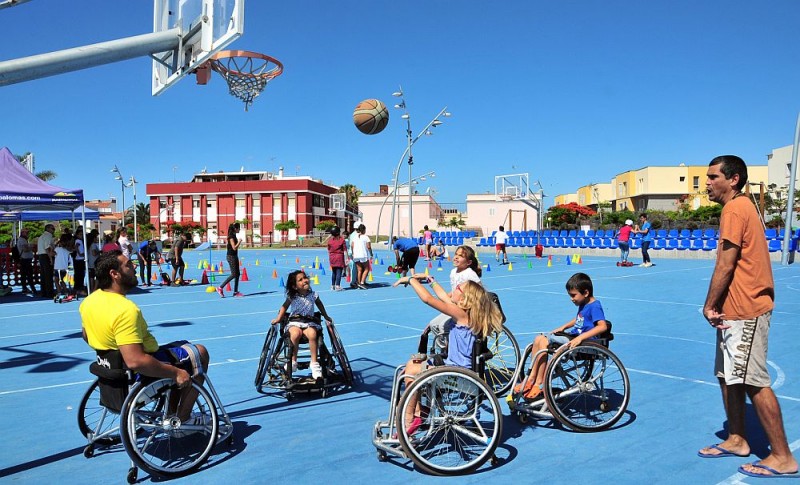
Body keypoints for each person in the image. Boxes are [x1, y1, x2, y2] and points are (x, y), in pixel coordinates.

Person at [697, 155, 798, 478]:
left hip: (747, 309)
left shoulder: (735, 209)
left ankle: (782, 457)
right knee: (728, 376)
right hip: (733, 311)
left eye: (713, 177)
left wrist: (709, 304)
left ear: (734, 179)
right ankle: (738, 438)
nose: (708, 183)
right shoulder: (736, 209)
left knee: (754, 381)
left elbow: (726, 263)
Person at [80, 250, 210, 422]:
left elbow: (86, 335)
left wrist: (111, 347)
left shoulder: (90, 301)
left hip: (111, 368)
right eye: (128, 265)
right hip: (135, 372)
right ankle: (181, 417)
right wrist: (175, 373)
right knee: (199, 353)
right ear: (114, 274)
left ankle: (173, 410)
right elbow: (136, 361)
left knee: (183, 346)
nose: (134, 267)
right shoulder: (125, 310)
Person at [393, 274, 502, 435]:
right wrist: (430, 279)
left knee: (412, 370)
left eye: (458, 288)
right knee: (411, 366)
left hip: (456, 375)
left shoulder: (461, 314)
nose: (455, 288)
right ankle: (417, 412)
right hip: (460, 371)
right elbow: (444, 297)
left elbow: (428, 299)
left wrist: (410, 280)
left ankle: (409, 417)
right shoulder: (469, 314)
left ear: (466, 298)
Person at [513, 272, 608, 401]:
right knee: (538, 339)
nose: (571, 299)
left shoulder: (595, 306)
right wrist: (564, 327)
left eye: (573, 295)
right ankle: (531, 378)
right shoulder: (583, 303)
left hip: (583, 342)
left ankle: (539, 382)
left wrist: (580, 338)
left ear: (585, 293)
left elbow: (602, 326)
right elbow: (579, 320)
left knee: (545, 341)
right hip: (573, 336)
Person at [270, 270, 333, 380]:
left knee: (313, 334)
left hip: (309, 322)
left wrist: (326, 316)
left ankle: (314, 364)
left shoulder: (313, 295)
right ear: (295, 286)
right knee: (295, 333)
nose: (305, 280)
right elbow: (284, 307)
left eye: (305, 278)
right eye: (301, 280)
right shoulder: (293, 296)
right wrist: (278, 318)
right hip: (295, 321)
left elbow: (320, 305)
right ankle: (293, 362)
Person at [426, 245, 483, 352]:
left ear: (469, 262)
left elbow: (479, 290)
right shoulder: (453, 272)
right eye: (456, 254)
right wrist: (447, 297)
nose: (456, 257)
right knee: (434, 324)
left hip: (466, 309)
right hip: (454, 306)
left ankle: (454, 350)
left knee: (443, 326)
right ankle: (446, 350)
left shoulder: (470, 274)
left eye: (460, 256)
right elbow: (454, 290)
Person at [217, 223, 243, 297]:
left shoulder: (234, 236)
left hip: (234, 256)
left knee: (237, 274)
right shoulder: (231, 237)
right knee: (234, 274)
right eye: (239, 228)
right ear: (235, 229)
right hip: (231, 256)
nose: (239, 230)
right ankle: (220, 287)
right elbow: (234, 247)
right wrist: (239, 242)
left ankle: (235, 292)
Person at [53, 232, 74, 301]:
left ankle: (59, 292)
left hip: (57, 267)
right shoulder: (67, 251)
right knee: (62, 280)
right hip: (64, 268)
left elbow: (52, 253)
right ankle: (66, 292)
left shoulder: (57, 249)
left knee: (56, 280)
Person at [37, 223, 56, 298]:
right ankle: (49, 293)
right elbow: (47, 248)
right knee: (48, 275)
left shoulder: (42, 236)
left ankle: (44, 292)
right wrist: (51, 258)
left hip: (41, 256)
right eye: (52, 229)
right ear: (48, 229)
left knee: (43, 275)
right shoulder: (48, 235)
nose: (53, 230)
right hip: (46, 256)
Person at [351, 224, 372, 289]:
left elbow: (352, 245)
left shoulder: (355, 237)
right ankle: (362, 282)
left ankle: (359, 283)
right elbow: (368, 246)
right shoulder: (366, 237)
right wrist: (371, 253)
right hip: (363, 254)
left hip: (356, 255)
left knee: (359, 269)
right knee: (366, 269)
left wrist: (353, 253)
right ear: (364, 230)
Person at [327, 226, 347, 291]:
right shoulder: (342, 240)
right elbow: (345, 250)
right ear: (338, 232)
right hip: (339, 257)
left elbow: (328, 249)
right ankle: (337, 285)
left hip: (332, 257)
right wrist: (347, 259)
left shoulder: (330, 241)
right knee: (339, 272)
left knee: (334, 272)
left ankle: (332, 286)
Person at [16, 228, 35, 295]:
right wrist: (31, 247)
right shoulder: (22, 240)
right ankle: (32, 288)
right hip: (25, 259)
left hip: (25, 259)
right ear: (22, 233)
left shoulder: (23, 240)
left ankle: (25, 288)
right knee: (28, 275)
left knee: (24, 275)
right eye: (26, 232)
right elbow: (25, 249)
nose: (28, 234)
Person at [73, 228, 87, 296]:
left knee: (81, 274)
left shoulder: (80, 241)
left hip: (80, 258)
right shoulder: (78, 241)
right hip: (79, 259)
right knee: (80, 274)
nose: (81, 236)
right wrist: (79, 253)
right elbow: (76, 247)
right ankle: (79, 288)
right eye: (80, 234)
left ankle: (78, 287)